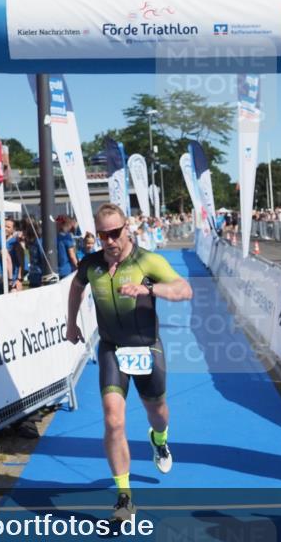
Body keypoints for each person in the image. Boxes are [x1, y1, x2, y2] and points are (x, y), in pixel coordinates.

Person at [65, 203, 193, 523]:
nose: (109, 240)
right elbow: (76, 287)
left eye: (115, 233)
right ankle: (124, 496)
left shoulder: (146, 259)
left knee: (157, 413)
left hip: (145, 348)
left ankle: (159, 440)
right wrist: (71, 322)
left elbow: (184, 289)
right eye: (103, 234)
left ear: (127, 229)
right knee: (113, 420)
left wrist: (149, 288)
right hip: (111, 349)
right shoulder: (91, 264)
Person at [4, 217, 24, 292]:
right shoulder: (0, 241)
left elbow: (21, 262)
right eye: (4, 226)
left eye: (8, 227)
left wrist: (19, 280)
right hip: (3, 279)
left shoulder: (15, 243)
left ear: (13, 229)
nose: (5, 228)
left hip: (13, 281)